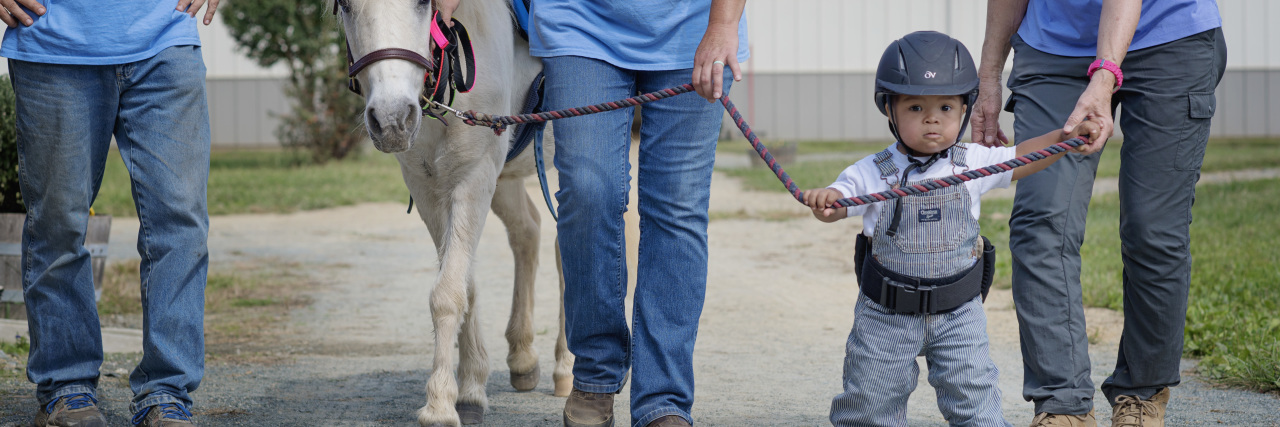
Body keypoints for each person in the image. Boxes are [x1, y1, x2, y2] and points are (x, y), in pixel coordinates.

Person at [803, 31, 1098, 427]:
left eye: (945, 106)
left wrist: (1063, 140)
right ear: (889, 110)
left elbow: (1020, 158)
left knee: (975, 400)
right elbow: (841, 199)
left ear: (964, 109)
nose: (932, 118)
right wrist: (829, 203)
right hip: (885, 314)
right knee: (869, 405)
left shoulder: (972, 162)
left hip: (959, 313)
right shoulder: (873, 171)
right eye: (914, 107)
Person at [970, 1, 1226, 425]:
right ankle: (1062, 402)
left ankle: (1142, 392)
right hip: (1054, 43)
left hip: (1169, 38)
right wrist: (989, 76)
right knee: (1041, 224)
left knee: (1153, 229)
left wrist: (1105, 75)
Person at [515, 0, 746, 426]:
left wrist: (723, 23)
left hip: (693, 27)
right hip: (579, 23)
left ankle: (664, 399)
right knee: (588, 191)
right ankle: (595, 377)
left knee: (677, 208)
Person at [2, 0, 220, 425]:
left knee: (181, 223)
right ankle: (67, 386)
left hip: (165, 38)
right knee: (58, 224)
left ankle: (167, 391)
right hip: (54, 41)